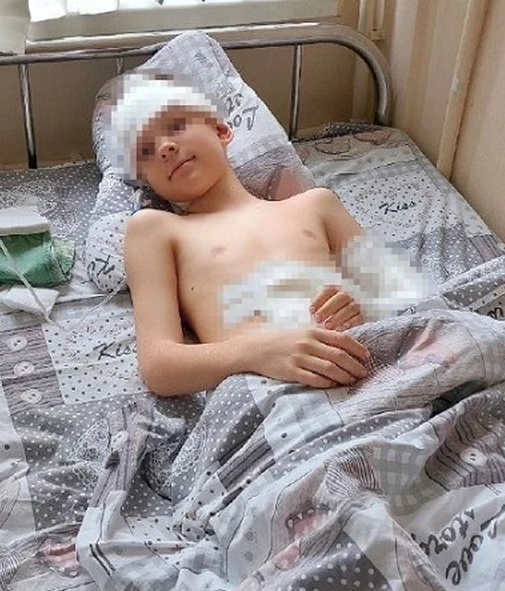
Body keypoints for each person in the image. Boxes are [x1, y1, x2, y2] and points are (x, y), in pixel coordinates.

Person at [115, 75, 379, 397]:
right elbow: (160, 366)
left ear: (221, 130)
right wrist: (259, 352)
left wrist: (359, 301)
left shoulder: (317, 204)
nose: (165, 148)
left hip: (369, 366)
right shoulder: (154, 229)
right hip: (271, 394)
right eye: (146, 151)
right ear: (150, 182)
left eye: (176, 126)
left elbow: (399, 292)